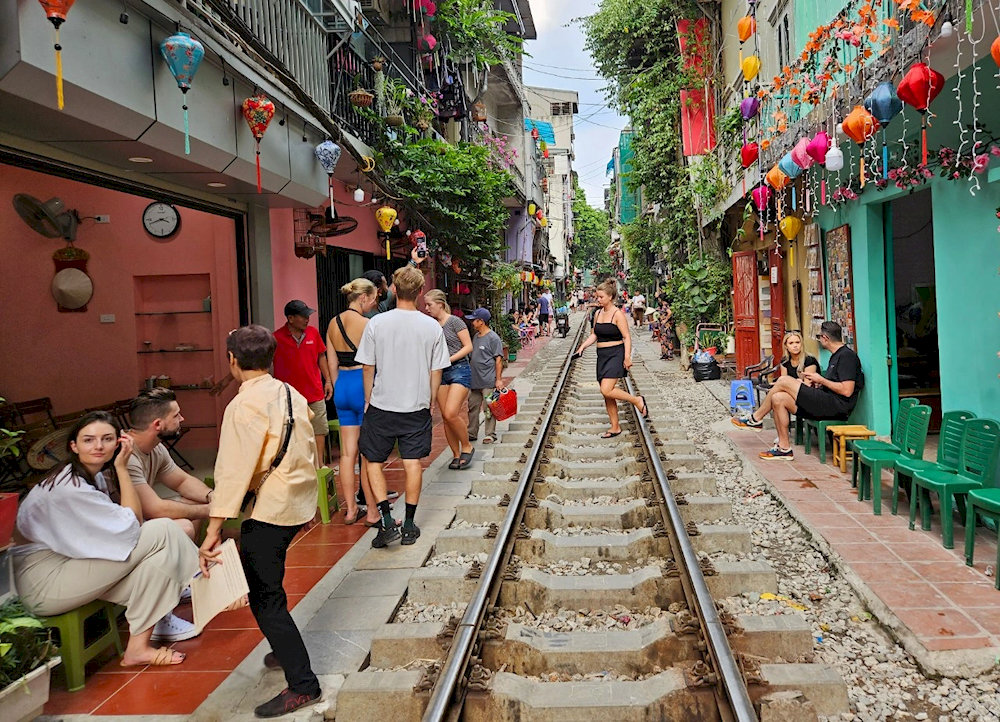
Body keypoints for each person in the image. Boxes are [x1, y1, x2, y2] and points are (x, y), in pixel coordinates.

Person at [199, 325, 322, 718]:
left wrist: (213, 529)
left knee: (266, 598)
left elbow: (233, 471)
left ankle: (303, 684)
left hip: (268, 510)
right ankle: (283, 650)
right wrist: (309, 503)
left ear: (232, 360)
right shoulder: (289, 392)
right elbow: (307, 447)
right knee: (271, 582)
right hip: (293, 503)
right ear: (271, 358)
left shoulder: (242, 406)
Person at [13, 411, 198, 667]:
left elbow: (125, 528)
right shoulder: (70, 487)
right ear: (74, 446)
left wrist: (120, 469)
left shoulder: (91, 475)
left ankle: (137, 648)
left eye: (107, 439)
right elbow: (134, 526)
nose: (98, 446)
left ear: (119, 443)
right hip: (42, 582)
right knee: (165, 529)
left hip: (69, 565)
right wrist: (122, 468)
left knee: (159, 561)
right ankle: (209, 583)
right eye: (88, 440)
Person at [357, 265, 450, 548]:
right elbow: (436, 370)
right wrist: (431, 400)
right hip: (416, 405)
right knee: (412, 463)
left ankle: (386, 521)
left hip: (382, 404)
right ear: (420, 292)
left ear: (394, 289)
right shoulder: (431, 326)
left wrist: (368, 399)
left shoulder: (377, 323)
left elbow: (368, 367)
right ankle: (409, 525)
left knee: (374, 461)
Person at [745, 321, 864, 461]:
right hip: (826, 401)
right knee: (778, 398)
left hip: (836, 407)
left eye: (819, 337)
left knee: (783, 381)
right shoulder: (835, 355)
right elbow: (835, 384)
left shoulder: (847, 356)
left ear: (825, 338)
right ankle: (784, 448)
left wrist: (821, 380)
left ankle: (756, 418)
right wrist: (818, 384)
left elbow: (847, 391)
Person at [325, 278, 383, 526]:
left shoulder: (332, 323)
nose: (374, 303)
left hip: (343, 385)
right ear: (363, 297)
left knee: (347, 454)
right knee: (368, 453)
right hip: (362, 384)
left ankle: (350, 510)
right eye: (373, 299)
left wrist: (338, 387)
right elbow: (373, 363)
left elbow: (331, 363)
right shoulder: (368, 324)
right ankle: (372, 511)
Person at [125, 388, 213, 541]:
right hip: (126, 528)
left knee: (198, 500)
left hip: (143, 515)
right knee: (184, 527)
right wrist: (209, 510)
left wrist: (211, 496)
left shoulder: (156, 448)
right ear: (158, 424)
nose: (182, 418)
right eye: (176, 415)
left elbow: (182, 481)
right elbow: (154, 509)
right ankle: (189, 553)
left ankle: (195, 552)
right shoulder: (127, 454)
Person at [572, 279, 648, 437]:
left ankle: (637, 400)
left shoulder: (617, 314)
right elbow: (594, 334)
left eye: (601, 297)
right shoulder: (598, 313)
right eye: (597, 297)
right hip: (602, 356)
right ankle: (615, 427)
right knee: (607, 394)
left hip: (615, 354)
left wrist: (627, 357)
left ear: (610, 297)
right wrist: (582, 347)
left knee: (606, 389)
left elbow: (627, 337)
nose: (598, 300)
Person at [273, 300, 333, 467]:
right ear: (290, 318)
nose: (307, 319)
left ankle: (319, 464)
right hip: (289, 396)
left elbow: (321, 356)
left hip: (314, 391)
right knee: (291, 432)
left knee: (319, 429)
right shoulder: (276, 338)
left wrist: (328, 380)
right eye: (303, 316)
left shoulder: (313, 333)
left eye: (308, 315)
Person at [424, 289, 475, 470]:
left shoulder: (455, 321)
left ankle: (467, 446)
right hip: (439, 372)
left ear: (440, 304)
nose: (426, 308)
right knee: (446, 417)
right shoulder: (430, 325)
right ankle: (455, 453)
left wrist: (448, 359)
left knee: (451, 412)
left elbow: (468, 346)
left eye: (429, 304)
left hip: (459, 368)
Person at [731, 331, 820, 432]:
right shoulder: (785, 361)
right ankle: (781, 437)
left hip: (810, 399)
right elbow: (784, 383)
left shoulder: (809, 360)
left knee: (780, 387)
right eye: (791, 343)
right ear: (786, 346)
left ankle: (756, 418)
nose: (795, 346)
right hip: (793, 396)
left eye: (797, 342)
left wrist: (791, 382)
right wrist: (790, 383)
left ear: (801, 344)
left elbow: (808, 386)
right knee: (776, 397)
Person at [466, 308, 505, 445]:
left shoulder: (493, 338)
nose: (472, 323)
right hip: (475, 379)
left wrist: (498, 379)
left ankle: (490, 433)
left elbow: (498, 360)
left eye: (474, 320)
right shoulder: (476, 337)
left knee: (489, 407)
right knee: (472, 406)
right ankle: (471, 432)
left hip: (488, 379)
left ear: (481, 321)